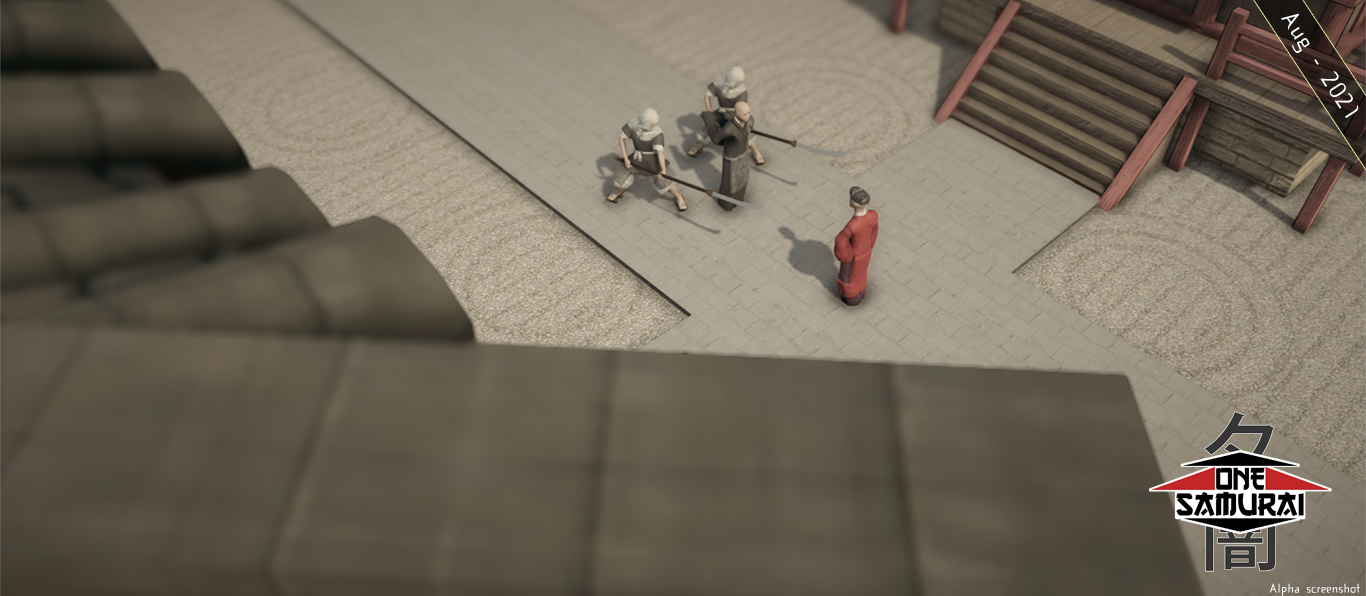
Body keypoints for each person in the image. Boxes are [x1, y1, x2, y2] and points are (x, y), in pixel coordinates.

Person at [608, 108, 687, 211]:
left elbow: (659, 152)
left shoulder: (657, 132)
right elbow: (622, 139)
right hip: (636, 159)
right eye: (651, 124)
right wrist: (626, 159)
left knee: (665, 181)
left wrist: (663, 170)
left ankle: (678, 196)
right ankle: (618, 190)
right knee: (623, 174)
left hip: (652, 162)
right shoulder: (633, 124)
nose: (653, 126)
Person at [686, 66, 764, 165]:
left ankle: (755, 151)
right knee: (708, 125)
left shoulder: (741, 91)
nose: (739, 83)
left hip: (736, 114)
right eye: (738, 81)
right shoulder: (719, 83)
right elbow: (707, 95)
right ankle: (698, 145)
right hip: (721, 112)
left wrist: (739, 119)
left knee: (745, 132)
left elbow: (741, 107)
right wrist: (709, 112)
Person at [704, 101, 754, 211]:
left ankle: (739, 199)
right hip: (731, 160)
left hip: (743, 155)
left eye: (748, 113)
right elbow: (716, 139)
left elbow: (750, 123)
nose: (747, 116)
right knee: (730, 184)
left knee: (742, 179)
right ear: (737, 113)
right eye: (744, 114)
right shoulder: (729, 128)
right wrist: (709, 120)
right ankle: (727, 204)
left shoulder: (748, 121)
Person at [834, 186, 878, 306]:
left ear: (852, 202)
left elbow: (840, 240)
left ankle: (851, 298)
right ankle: (861, 292)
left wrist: (846, 257)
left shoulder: (852, 225)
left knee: (849, 277)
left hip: (854, 256)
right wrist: (870, 245)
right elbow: (874, 230)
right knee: (862, 273)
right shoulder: (873, 215)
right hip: (866, 252)